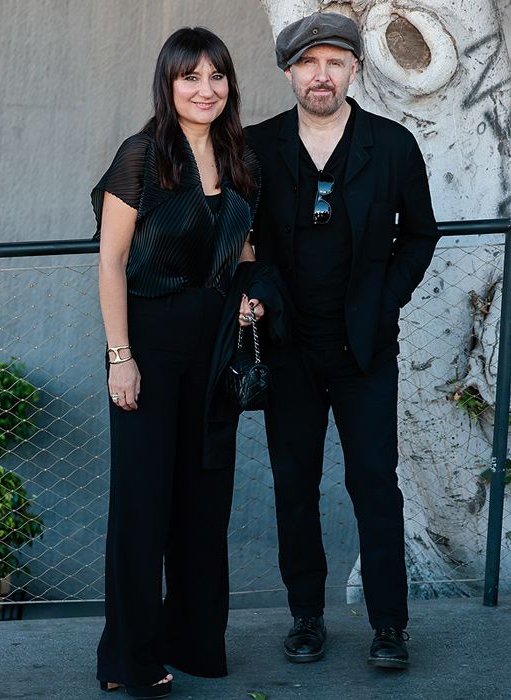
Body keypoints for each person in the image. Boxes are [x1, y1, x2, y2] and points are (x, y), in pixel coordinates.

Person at [245, 12, 439, 670]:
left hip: (365, 349)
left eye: (333, 61)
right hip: (288, 345)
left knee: (375, 485)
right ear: (290, 71)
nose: (320, 74)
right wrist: (255, 293)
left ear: (355, 67)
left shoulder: (390, 144)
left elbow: (419, 235)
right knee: (293, 485)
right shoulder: (255, 147)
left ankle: (390, 626)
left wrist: (386, 304)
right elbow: (239, 241)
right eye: (307, 62)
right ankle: (306, 616)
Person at [91, 27, 263, 698]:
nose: (205, 89)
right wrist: (120, 358)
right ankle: (127, 658)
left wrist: (250, 307)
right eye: (190, 77)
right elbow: (109, 262)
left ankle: (191, 641)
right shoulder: (143, 156)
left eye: (217, 77)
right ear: (168, 84)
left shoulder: (239, 160)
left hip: (213, 345)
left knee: (202, 499)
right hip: (149, 345)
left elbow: (243, 261)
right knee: (143, 507)